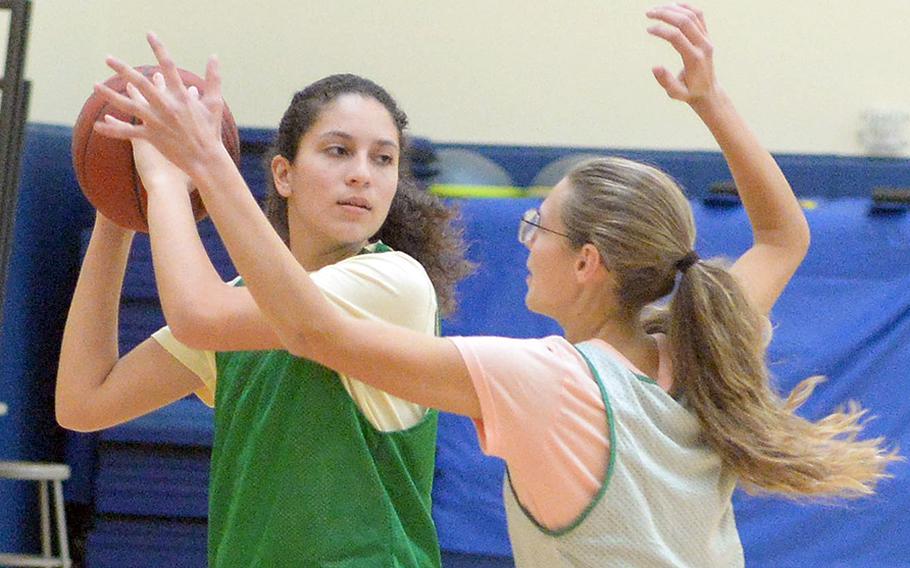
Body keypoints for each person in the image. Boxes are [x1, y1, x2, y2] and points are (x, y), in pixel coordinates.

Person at [95, 4, 899, 566]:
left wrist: (193, 169)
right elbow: (783, 236)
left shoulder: (544, 379)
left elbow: (309, 331)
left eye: (537, 225)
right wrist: (710, 100)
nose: (524, 243)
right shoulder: (692, 342)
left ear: (588, 263)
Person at [57, 72, 473, 566]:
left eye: (383, 158)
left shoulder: (391, 283)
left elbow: (197, 315)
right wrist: (118, 210)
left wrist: (169, 178)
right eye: (338, 150)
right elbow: (85, 402)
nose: (363, 173)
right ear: (283, 174)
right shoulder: (241, 306)